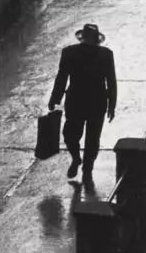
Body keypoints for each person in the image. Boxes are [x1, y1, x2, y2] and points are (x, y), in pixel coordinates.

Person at [49, 22, 117, 186]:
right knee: (92, 138)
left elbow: (62, 78)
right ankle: (86, 167)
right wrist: (111, 104)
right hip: (97, 102)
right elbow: (111, 82)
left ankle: (79, 161)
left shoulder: (69, 53)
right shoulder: (106, 55)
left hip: (76, 101)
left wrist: (55, 98)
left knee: (71, 135)